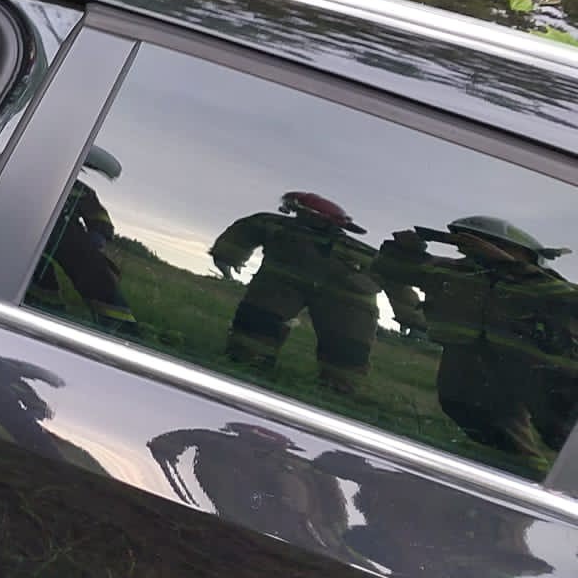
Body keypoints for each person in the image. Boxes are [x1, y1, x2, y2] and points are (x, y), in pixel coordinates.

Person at [375, 215, 578, 473]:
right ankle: (521, 477)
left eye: (486, 243)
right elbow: (390, 267)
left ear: (524, 254)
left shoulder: (543, 284)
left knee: (562, 436)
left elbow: (567, 297)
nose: (474, 249)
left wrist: (508, 265)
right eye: (468, 243)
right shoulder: (454, 272)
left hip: (551, 379)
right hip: (474, 377)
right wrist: (403, 250)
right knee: (497, 439)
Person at [211, 191, 382, 393]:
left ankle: (340, 388)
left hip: (341, 299)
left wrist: (226, 257)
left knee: (345, 350)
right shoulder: (277, 227)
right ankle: (339, 389)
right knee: (258, 327)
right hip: (294, 289)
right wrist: (226, 256)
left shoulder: (275, 226)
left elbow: (245, 230)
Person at [29, 147, 137, 335]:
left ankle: (121, 329)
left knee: (99, 276)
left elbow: (100, 218)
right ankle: (45, 313)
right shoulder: (36, 180)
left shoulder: (82, 191)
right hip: (33, 240)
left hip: (71, 241)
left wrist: (99, 234)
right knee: (40, 274)